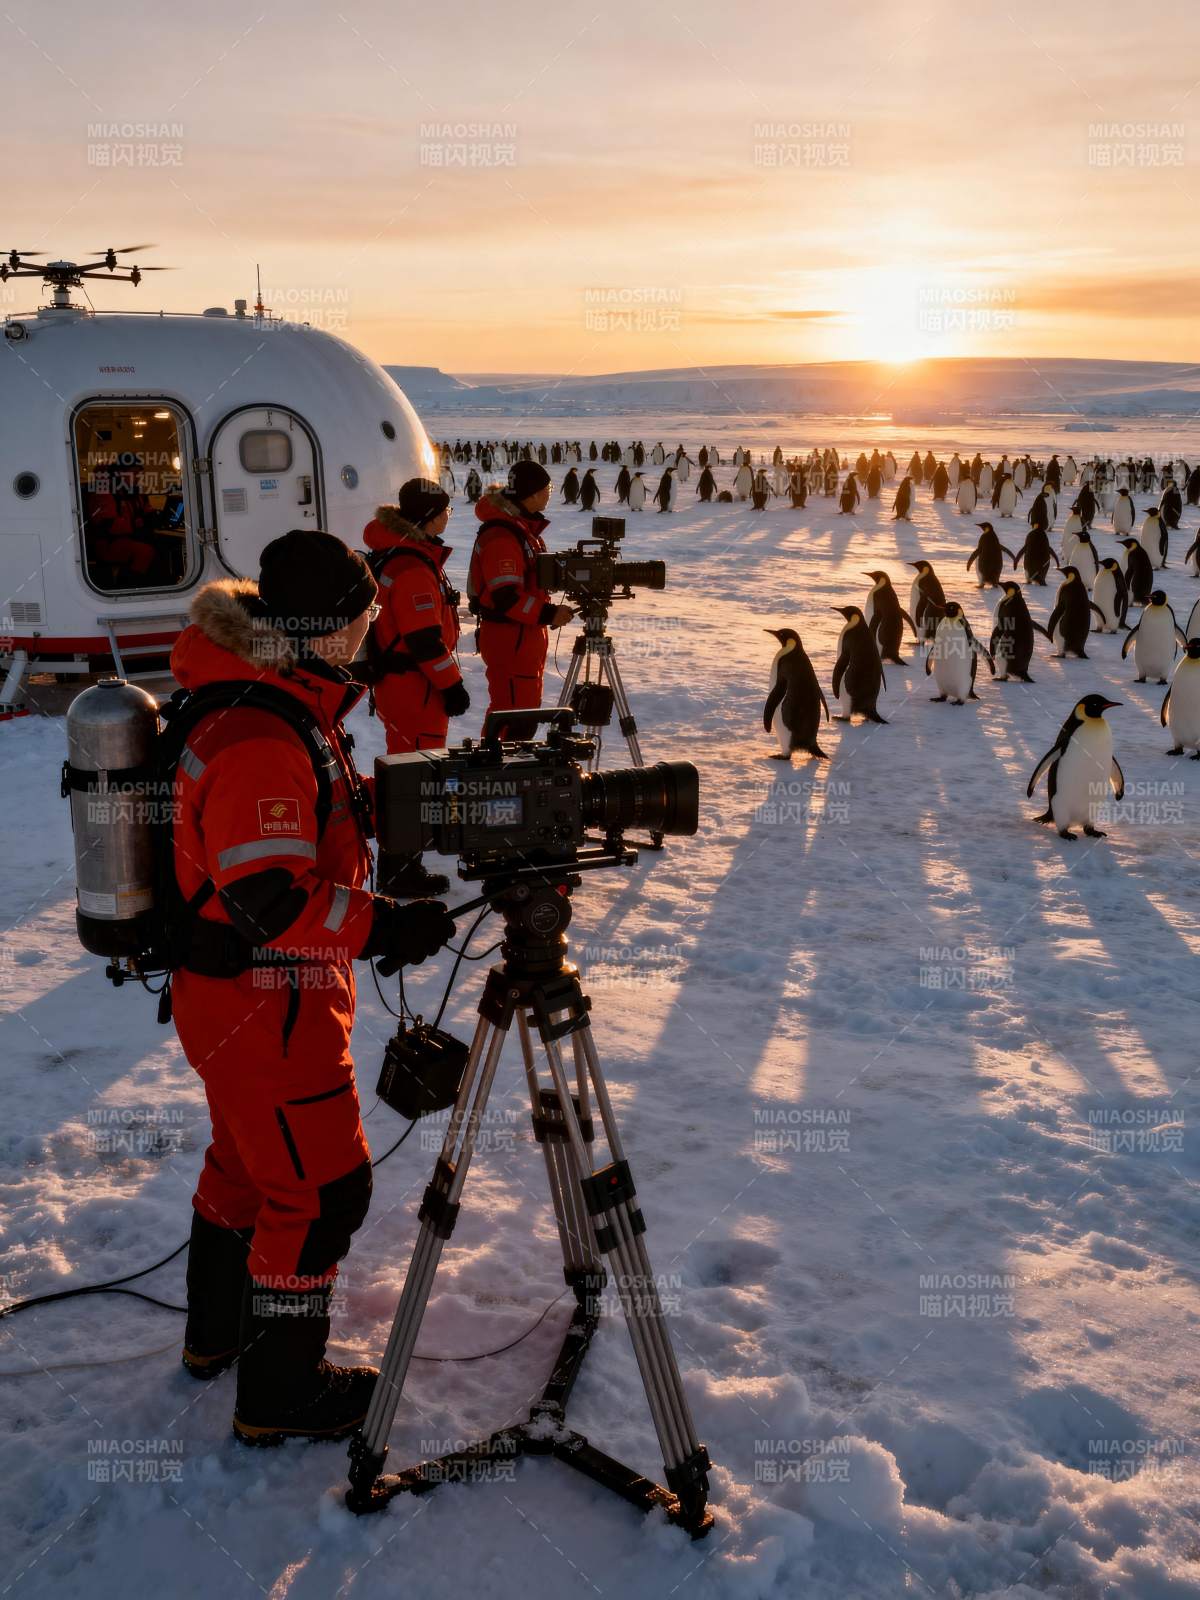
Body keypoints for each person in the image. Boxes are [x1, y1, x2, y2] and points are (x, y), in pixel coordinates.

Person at [168, 529, 456, 1445]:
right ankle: (280, 1393)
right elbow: (265, 896)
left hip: (235, 1004)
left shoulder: (269, 700)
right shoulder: (260, 731)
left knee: (248, 1170)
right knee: (322, 1194)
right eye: (358, 620)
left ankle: (216, 1339)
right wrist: (384, 926)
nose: (370, 633)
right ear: (316, 633)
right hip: (270, 1007)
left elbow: (287, 849)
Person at [362, 478, 469, 896]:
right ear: (428, 516)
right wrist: (452, 685)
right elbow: (424, 641)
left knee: (408, 770)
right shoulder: (411, 567)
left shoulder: (401, 556)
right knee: (416, 776)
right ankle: (400, 870)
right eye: (444, 509)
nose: (447, 516)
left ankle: (401, 861)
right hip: (415, 688)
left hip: (401, 685)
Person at [469, 460, 573, 719]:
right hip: (510, 638)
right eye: (548, 487)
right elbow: (506, 597)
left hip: (522, 637)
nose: (551, 492)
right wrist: (548, 614)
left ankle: (506, 759)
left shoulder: (521, 528)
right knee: (513, 718)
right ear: (533, 493)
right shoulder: (502, 536)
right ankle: (497, 761)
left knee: (519, 715)